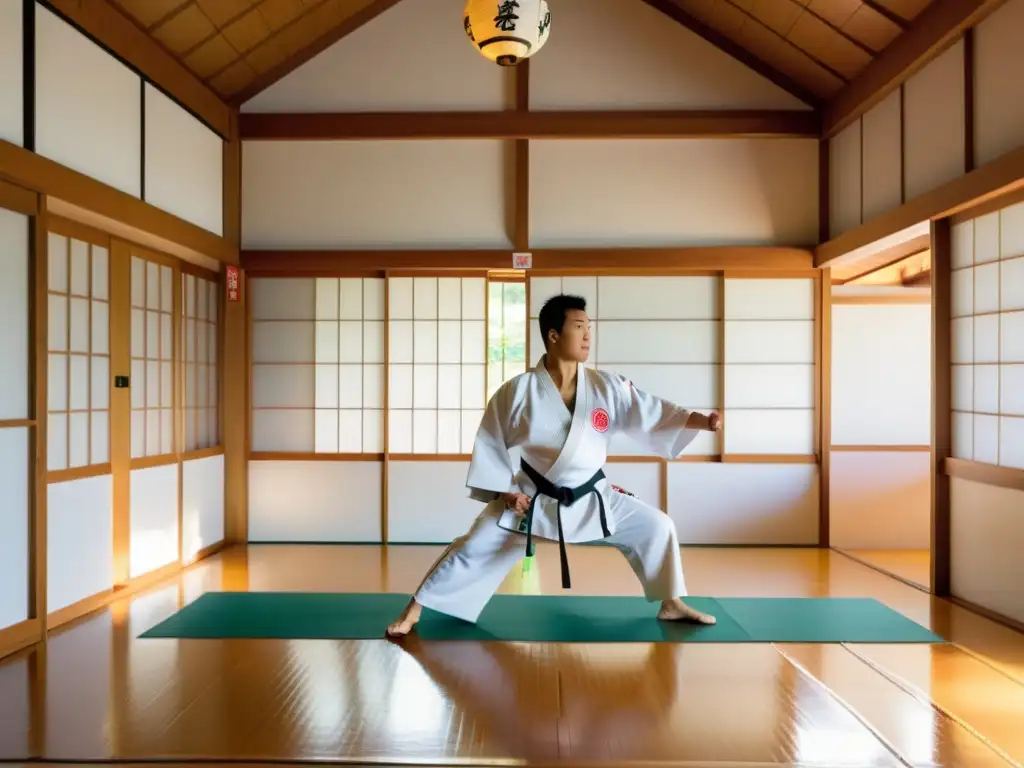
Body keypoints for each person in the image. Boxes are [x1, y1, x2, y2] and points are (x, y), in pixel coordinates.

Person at [386, 294, 720, 637]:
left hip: (593, 497)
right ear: (553, 336)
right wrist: (507, 492)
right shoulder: (517, 392)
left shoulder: (608, 387)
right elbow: (490, 441)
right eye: (579, 327)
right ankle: (414, 610)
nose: (588, 335)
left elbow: (653, 411)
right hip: (531, 502)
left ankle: (671, 602)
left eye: (589, 328)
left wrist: (700, 421)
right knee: (472, 546)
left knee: (657, 526)